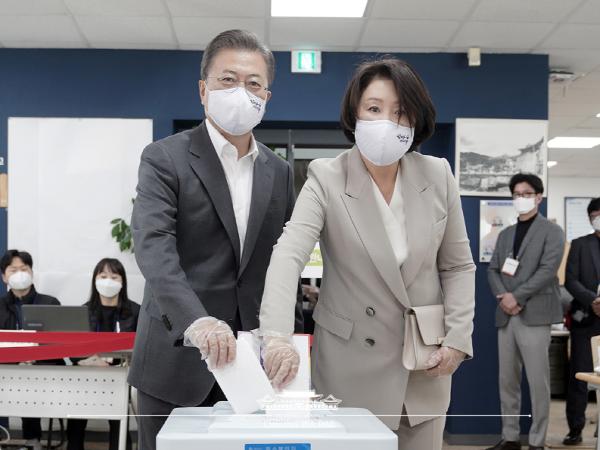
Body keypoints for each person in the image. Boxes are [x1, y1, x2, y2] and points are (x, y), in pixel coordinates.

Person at [258, 58, 476, 450]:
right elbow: (289, 252)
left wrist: (458, 338)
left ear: (416, 119)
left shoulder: (438, 175)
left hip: (423, 363)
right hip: (350, 365)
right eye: (374, 109)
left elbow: (458, 265)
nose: (387, 122)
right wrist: (276, 336)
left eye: (400, 112)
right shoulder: (327, 176)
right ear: (355, 114)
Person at [128, 29, 303, 450]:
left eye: (254, 83)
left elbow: (284, 261)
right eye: (228, 79)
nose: (242, 91)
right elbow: (153, 247)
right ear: (203, 90)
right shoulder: (164, 157)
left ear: (266, 97)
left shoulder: (279, 172)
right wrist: (197, 321)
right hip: (176, 360)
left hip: (253, 369)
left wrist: (287, 335)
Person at [487, 173, 565, 450]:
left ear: (539, 197)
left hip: (535, 314)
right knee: (507, 381)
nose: (521, 198)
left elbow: (547, 270)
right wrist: (504, 297)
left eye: (527, 194)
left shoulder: (552, 231)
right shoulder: (506, 234)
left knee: (538, 382)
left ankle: (537, 441)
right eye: (517, 194)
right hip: (507, 315)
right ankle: (510, 438)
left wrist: (516, 296)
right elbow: (493, 269)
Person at [67, 258, 139, 450]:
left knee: (119, 419)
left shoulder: (135, 311)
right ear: (95, 280)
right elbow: (73, 351)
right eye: (103, 276)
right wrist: (89, 360)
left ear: (122, 282)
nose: (108, 281)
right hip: (87, 375)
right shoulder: (83, 311)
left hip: (121, 375)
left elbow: (141, 348)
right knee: (75, 416)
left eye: (114, 277)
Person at [0, 249, 61, 446]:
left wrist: (36, 355)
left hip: (43, 368)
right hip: (6, 368)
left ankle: (33, 440)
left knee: (30, 377)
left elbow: (59, 343)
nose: (19, 274)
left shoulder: (50, 303)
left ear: (32, 272)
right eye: (13, 270)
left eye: (24, 269)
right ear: (4, 277)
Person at [563, 197, 600, 445]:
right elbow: (571, 280)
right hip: (586, 319)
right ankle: (575, 429)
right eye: (595, 215)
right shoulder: (579, 244)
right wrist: (593, 300)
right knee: (579, 376)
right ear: (589, 218)